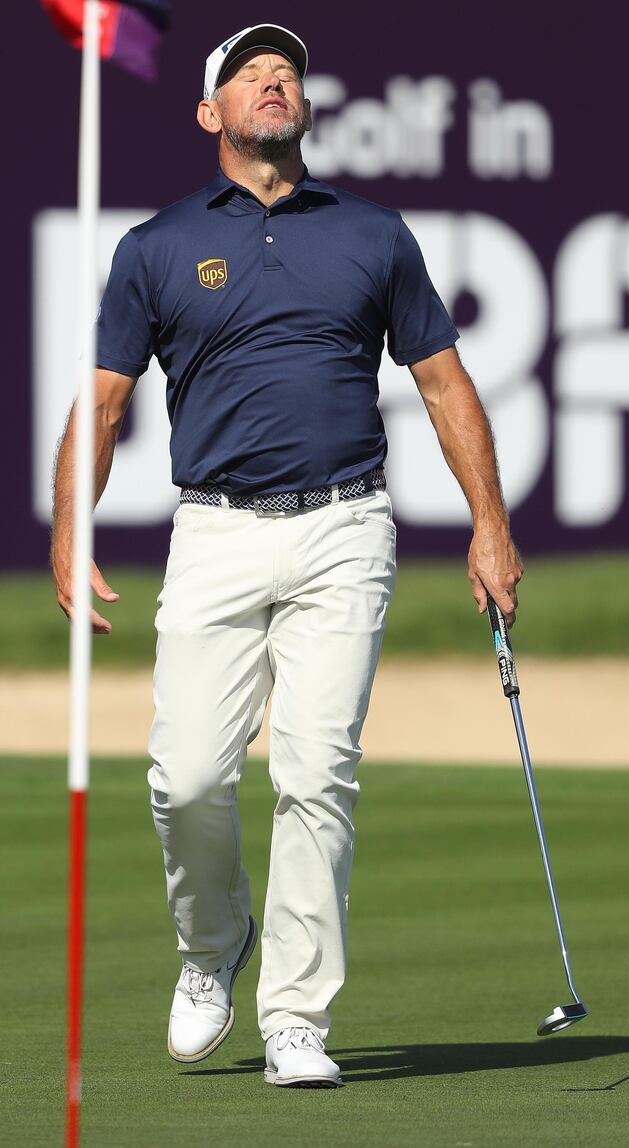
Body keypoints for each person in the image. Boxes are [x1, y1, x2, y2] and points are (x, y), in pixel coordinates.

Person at [50, 22, 523, 1089]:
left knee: (315, 771)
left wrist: (488, 522)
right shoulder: (157, 246)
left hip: (343, 527)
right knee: (187, 779)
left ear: (304, 110)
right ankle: (212, 945)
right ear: (210, 113)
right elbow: (108, 401)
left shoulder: (370, 232)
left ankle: (297, 1015)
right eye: (249, 73)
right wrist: (70, 527)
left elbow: (443, 384)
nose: (276, 80)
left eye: (288, 72)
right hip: (213, 532)